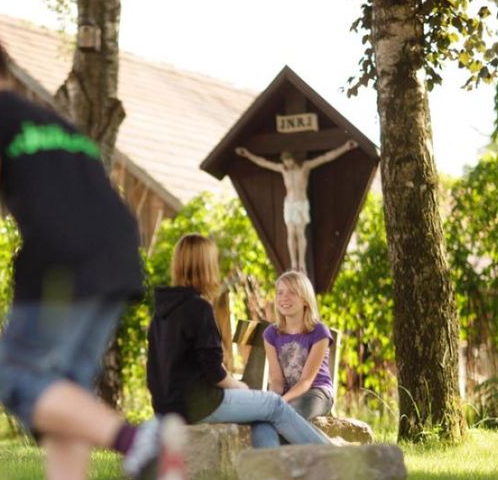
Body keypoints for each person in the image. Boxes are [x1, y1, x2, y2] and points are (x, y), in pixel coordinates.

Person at [0, 32, 189, 480]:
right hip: (117, 248)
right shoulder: (53, 122)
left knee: (16, 377)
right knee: (62, 395)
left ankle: (139, 444)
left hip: (63, 254)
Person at [146, 234, 332, 449]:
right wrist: (240, 386)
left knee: (264, 413)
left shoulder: (160, 313)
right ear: (206, 267)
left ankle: (266, 471)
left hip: (166, 407)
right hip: (200, 404)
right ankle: (335, 459)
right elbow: (214, 372)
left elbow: (153, 372)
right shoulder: (199, 309)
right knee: (272, 404)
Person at [234, 140, 357, 273]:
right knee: (291, 233)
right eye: (285, 160)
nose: (287, 163)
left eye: (289, 160)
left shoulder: (305, 167)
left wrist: (345, 148)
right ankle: (294, 264)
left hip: (301, 203)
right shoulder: (283, 169)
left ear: (294, 159)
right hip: (289, 204)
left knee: (300, 233)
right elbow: (264, 163)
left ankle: (302, 264)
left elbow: (325, 158)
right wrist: (248, 155)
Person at [252, 271, 336, 448]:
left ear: (305, 300)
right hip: (287, 393)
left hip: (316, 392)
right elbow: (276, 381)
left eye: (292, 292)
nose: (284, 297)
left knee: (287, 416)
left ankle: (330, 455)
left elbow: (306, 381)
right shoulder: (271, 334)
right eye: (280, 292)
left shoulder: (319, 332)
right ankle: (269, 464)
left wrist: (281, 402)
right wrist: (272, 401)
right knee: (263, 421)